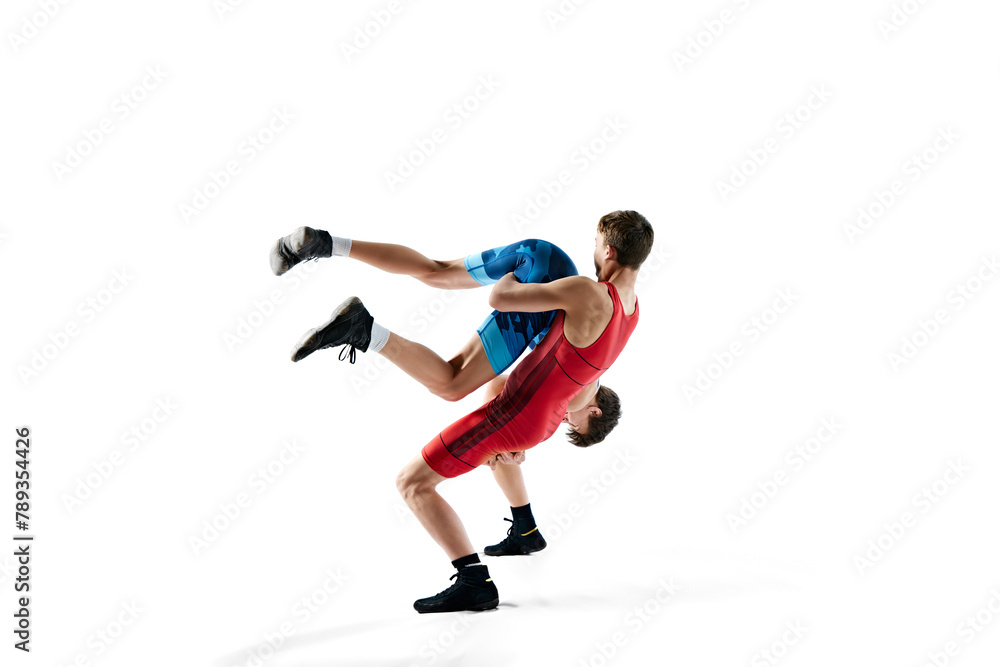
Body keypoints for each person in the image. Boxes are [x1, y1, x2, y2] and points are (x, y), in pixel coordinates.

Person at [274, 210, 653, 612]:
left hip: (537, 284)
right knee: (449, 387)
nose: (592, 249)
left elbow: (500, 299)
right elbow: (553, 381)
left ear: (609, 250)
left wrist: (520, 275)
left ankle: (477, 581)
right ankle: (359, 322)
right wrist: (522, 437)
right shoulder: (625, 315)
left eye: (595, 243)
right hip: (526, 404)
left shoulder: (600, 299)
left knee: (437, 279)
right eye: (571, 424)